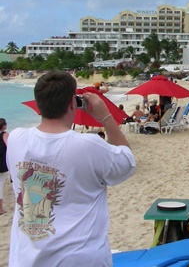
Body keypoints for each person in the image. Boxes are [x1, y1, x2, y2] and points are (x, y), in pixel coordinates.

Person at [6, 71, 135, 266]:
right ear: (73, 103)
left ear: (38, 102)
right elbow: (127, 161)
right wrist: (106, 117)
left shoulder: (16, 138)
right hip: (80, 258)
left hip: (26, 259)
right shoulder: (89, 145)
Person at [0, 118, 8, 215]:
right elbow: (8, 145)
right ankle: (0, 209)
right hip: (2, 164)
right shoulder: (4, 134)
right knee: (0, 185)